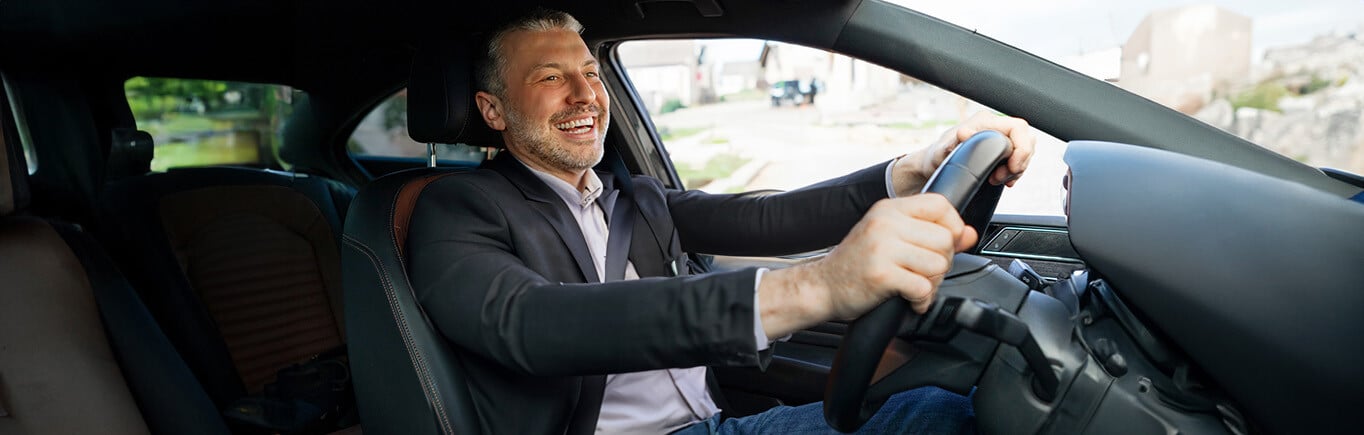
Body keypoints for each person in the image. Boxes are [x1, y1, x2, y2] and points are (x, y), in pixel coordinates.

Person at [407, 8, 1035, 435]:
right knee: (939, 419)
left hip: (717, 419)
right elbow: (534, 323)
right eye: (551, 77)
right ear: (492, 109)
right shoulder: (456, 210)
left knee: (945, 409)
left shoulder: (637, 199)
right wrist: (815, 286)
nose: (586, 95)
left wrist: (908, 171)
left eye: (591, 73)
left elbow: (768, 219)